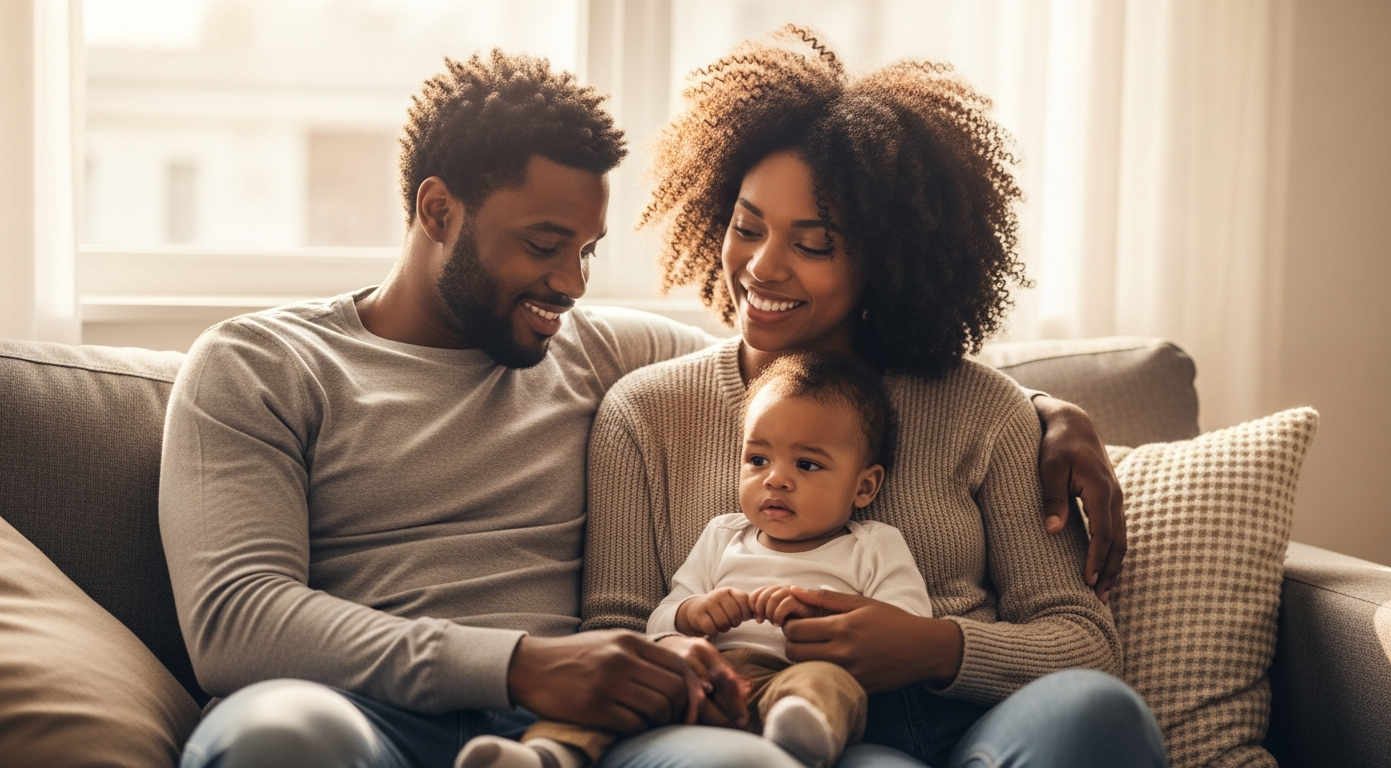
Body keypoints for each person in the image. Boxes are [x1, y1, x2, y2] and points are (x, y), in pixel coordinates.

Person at [159, 45, 1129, 768]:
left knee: (1086, 717)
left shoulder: (584, 346)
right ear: (437, 211)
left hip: (640, 712)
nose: (571, 282)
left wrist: (1046, 409)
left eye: (586, 249)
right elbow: (237, 620)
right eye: (545, 244)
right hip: (399, 711)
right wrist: (522, 665)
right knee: (282, 739)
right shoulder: (261, 365)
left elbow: (828, 374)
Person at [580, 27, 1165, 768]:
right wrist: (696, 656)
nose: (762, 266)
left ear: (886, 261)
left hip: (959, 732)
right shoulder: (644, 413)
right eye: (747, 227)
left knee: (1100, 713)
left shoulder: (986, 411)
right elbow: (612, 629)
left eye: (813, 243)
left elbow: (1082, 639)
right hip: (732, 726)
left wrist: (934, 648)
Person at [459, 352, 930, 768]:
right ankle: (544, 755)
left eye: (807, 465)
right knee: (617, 694)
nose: (776, 480)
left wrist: (825, 616)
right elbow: (660, 619)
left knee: (825, 684)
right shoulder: (723, 534)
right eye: (758, 459)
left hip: (792, 677)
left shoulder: (873, 544)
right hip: (703, 677)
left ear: (864, 486)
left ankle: (803, 736)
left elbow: (909, 629)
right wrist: (693, 614)